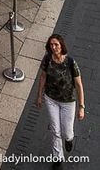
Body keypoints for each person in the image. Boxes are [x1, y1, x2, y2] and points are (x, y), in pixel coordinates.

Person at [37, 34, 85, 167]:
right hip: (51, 99)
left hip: (68, 101)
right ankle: (57, 156)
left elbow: (79, 85)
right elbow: (42, 77)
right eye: (51, 45)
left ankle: (69, 139)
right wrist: (39, 96)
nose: (53, 47)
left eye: (56, 44)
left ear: (61, 45)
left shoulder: (70, 62)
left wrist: (81, 107)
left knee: (67, 132)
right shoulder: (47, 59)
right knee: (55, 129)